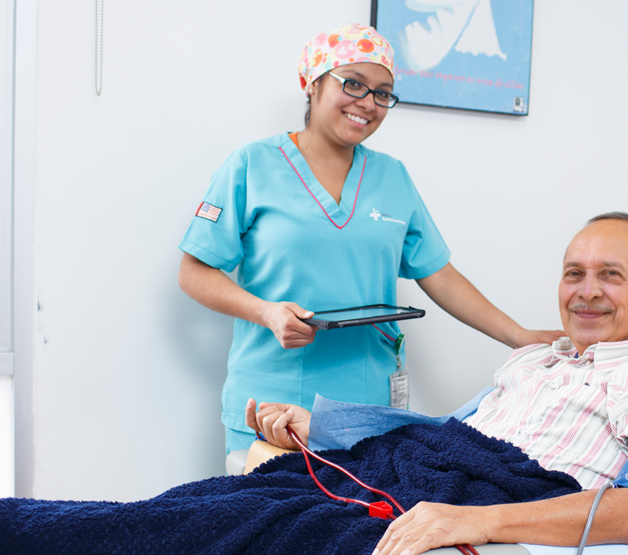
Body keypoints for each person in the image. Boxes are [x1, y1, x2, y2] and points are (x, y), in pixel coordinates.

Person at [245, 212, 628, 555]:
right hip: (408, 488)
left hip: (476, 506)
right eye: (574, 274)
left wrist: (475, 521)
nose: (587, 291)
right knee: (232, 509)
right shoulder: (538, 359)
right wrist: (324, 432)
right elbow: (448, 435)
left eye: (610, 275)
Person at [177, 23, 560, 454]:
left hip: (369, 411)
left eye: (382, 93)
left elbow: (439, 274)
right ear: (313, 83)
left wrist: (519, 336)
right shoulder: (252, 165)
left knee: (372, 501)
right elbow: (194, 272)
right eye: (354, 84)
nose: (368, 103)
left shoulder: (391, 176)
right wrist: (266, 312)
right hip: (274, 405)